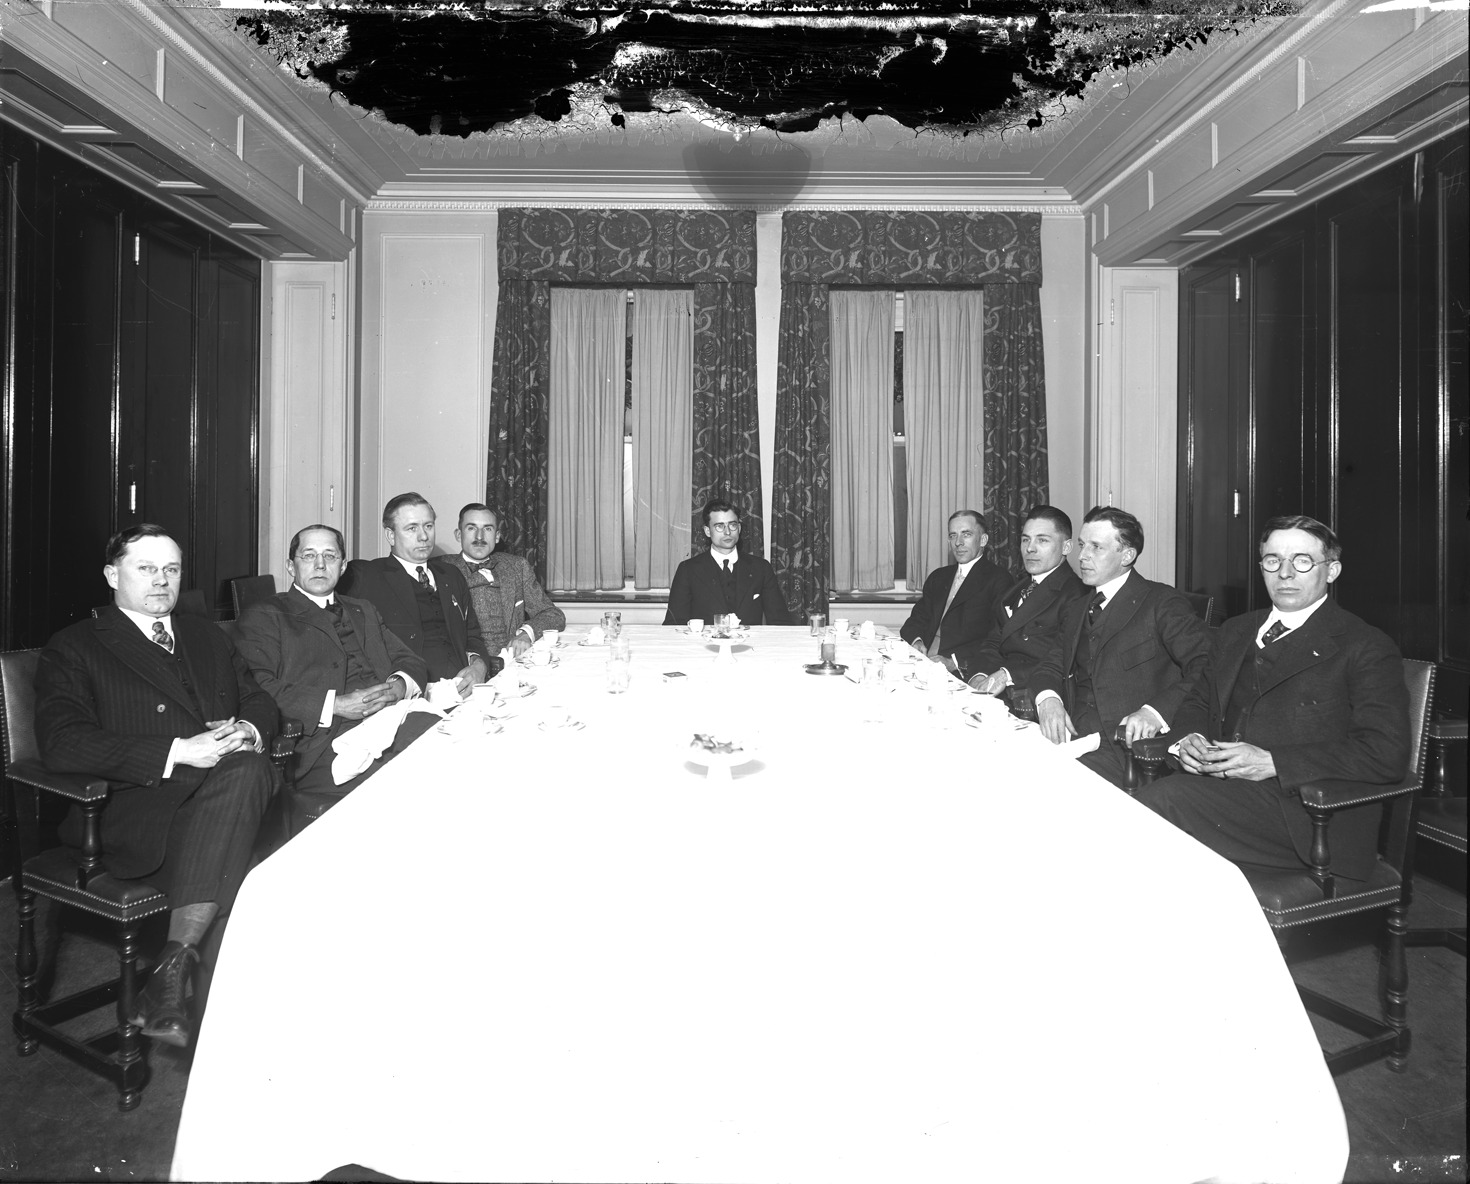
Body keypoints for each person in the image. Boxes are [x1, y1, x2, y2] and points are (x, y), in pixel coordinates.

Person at [33, 524, 278, 1048]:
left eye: (171, 569)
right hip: (133, 810)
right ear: (111, 575)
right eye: (145, 569)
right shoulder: (76, 646)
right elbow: (62, 743)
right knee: (246, 855)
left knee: (248, 771)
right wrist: (177, 751)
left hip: (221, 799)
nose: (161, 581)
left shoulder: (205, 635)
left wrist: (247, 728)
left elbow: (258, 698)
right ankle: (225, 1040)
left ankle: (173, 973)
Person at [1136, 516, 1409, 882]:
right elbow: (1199, 701)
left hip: (1309, 817)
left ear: (1332, 571)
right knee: (1145, 820)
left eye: (1302, 561)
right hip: (1223, 794)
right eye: (1273, 560)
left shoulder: (1365, 645)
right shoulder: (1235, 631)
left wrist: (1273, 762)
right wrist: (1188, 740)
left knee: (1160, 804)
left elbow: (1386, 752)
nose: (1285, 573)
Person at [233, 525, 438, 822]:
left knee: (453, 745)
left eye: (330, 556)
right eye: (309, 555)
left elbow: (409, 659)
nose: (320, 564)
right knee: (415, 782)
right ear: (291, 566)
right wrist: (335, 705)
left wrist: (398, 686)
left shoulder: (362, 609)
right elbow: (258, 688)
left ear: (342, 567)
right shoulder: (266, 615)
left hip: (391, 719)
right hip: (324, 746)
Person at [1030, 505, 1212, 788]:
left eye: (1096, 547)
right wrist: (1048, 699)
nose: (1082, 556)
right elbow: (1051, 664)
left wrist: (1155, 712)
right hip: (1072, 736)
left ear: (1127, 556)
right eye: (1082, 545)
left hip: (1128, 752)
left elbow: (1207, 664)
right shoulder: (1078, 607)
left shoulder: (1161, 602)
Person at [338, 492, 491, 696]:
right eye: (412, 528)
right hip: (409, 695)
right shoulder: (365, 576)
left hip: (463, 690)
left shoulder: (451, 575)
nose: (424, 536)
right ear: (390, 535)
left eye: (428, 526)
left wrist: (479, 665)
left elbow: (472, 635)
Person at [966, 505, 1088, 703]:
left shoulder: (1076, 594)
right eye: (1025, 539)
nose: (1030, 548)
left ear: (1066, 547)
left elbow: (1061, 660)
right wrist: (979, 674)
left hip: (1034, 696)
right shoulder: (1016, 589)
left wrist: (1006, 675)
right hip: (997, 691)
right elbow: (993, 642)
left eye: (1042, 540)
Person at [444, 503, 565, 661]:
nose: (479, 537)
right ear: (459, 535)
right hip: (465, 664)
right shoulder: (441, 570)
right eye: (471, 528)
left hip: (513, 662)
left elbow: (554, 615)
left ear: (497, 536)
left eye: (487, 529)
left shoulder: (517, 567)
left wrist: (526, 634)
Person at [898, 509, 1011, 676]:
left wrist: (954, 663)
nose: (958, 542)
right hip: (921, 663)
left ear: (983, 540)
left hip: (963, 670)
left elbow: (997, 639)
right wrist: (917, 641)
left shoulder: (999, 580)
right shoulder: (938, 577)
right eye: (953, 535)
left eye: (966, 534)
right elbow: (917, 620)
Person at [665, 499, 792, 626]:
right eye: (719, 526)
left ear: (739, 528)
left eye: (732, 525)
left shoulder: (761, 568)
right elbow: (674, 624)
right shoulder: (688, 570)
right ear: (707, 531)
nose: (727, 532)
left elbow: (780, 622)